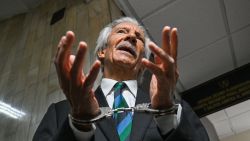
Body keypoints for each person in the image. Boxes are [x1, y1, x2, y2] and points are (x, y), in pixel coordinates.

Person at [33, 17, 209, 141]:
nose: (131, 37)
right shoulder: (60, 113)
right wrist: (80, 124)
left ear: (142, 62)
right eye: (122, 31)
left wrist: (165, 114)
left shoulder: (177, 110)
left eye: (138, 38)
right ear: (102, 51)